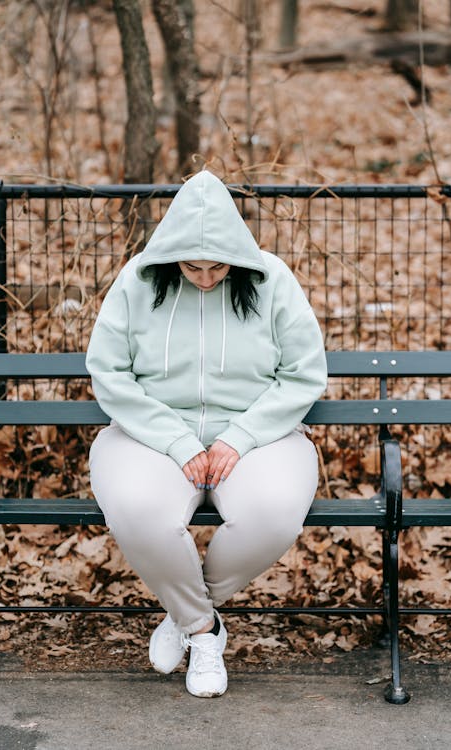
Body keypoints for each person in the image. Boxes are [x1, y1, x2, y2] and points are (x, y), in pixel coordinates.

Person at [86, 170, 327, 698]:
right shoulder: (137, 279)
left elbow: (304, 373)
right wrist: (175, 441)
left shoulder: (272, 279)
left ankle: (184, 611)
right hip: (148, 431)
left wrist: (239, 437)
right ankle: (203, 630)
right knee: (136, 505)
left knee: (273, 508)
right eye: (192, 266)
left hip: (260, 434)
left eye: (218, 265)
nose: (205, 277)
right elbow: (108, 370)